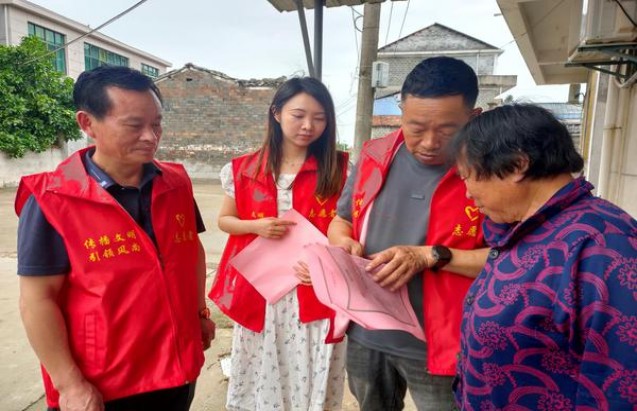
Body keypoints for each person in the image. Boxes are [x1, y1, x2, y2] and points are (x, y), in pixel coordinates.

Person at [15, 65, 215, 411]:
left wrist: (199, 312)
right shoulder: (52, 199)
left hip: (178, 367)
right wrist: (70, 384)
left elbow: (191, 252)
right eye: (134, 125)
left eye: (156, 124)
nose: (150, 137)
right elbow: (37, 301)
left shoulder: (176, 184)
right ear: (87, 123)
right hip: (105, 384)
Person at [328, 56, 490, 411]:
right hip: (367, 332)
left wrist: (430, 256)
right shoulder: (374, 155)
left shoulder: (491, 171)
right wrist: (342, 244)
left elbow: (514, 260)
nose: (429, 142)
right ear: (401, 111)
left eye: (447, 130)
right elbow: (341, 220)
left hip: (443, 341)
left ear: (473, 117)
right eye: (416, 127)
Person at [451, 104, 637, 410]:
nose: (468, 193)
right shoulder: (530, 227)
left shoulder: (604, 245)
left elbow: (621, 380)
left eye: (468, 176)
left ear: (517, 165)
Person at [209, 77, 349, 410]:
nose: (308, 126)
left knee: (310, 369)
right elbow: (225, 220)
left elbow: (350, 228)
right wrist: (255, 226)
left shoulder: (341, 169)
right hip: (263, 289)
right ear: (276, 113)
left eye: (319, 118)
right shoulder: (243, 169)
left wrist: (331, 262)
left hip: (314, 287)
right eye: (298, 115)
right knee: (261, 368)